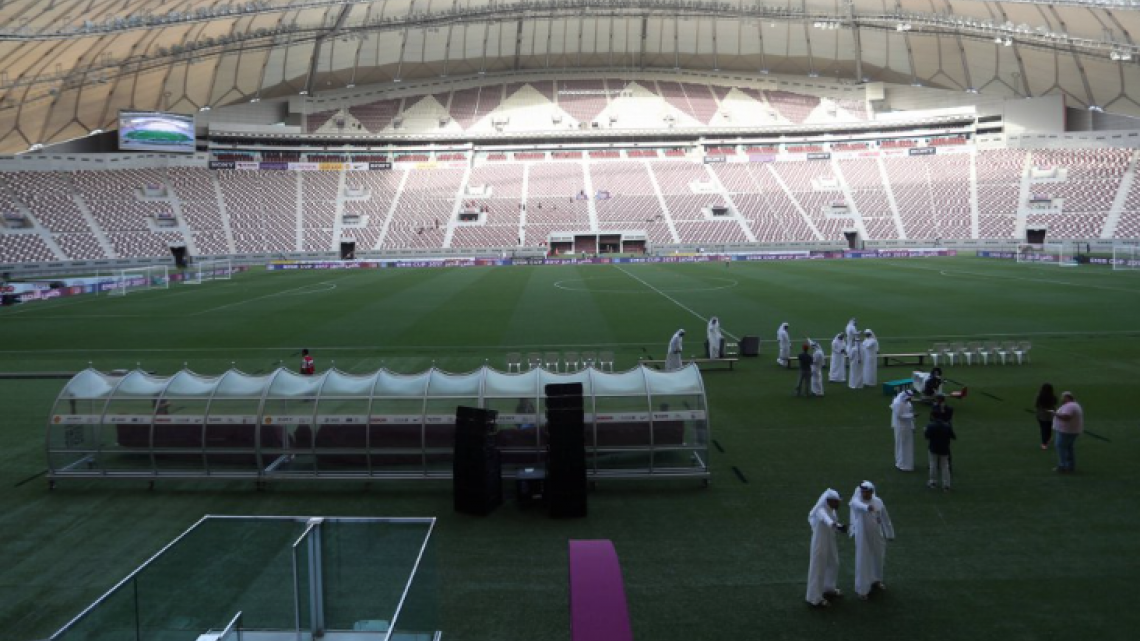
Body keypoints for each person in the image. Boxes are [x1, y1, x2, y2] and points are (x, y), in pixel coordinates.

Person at [849, 481, 894, 600]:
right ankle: (862, 589)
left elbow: (885, 518)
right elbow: (856, 504)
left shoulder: (878, 501)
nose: (864, 494)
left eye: (867, 492)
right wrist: (867, 507)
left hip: (877, 535)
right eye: (863, 492)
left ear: (872, 492)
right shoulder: (857, 502)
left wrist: (889, 534)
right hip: (863, 537)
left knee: (878, 557)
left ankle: (876, 579)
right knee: (863, 560)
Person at [805, 489, 846, 608]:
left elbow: (834, 524)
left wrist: (841, 528)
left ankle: (829, 588)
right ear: (829, 501)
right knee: (818, 568)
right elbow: (827, 521)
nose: (838, 504)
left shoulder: (832, 510)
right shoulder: (820, 510)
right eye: (836, 502)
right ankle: (815, 598)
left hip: (830, 541)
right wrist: (836, 525)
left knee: (834, 563)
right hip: (820, 542)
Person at [1052, 391, 1084, 473]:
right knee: (1068, 448)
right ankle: (1070, 465)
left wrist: (1055, 414)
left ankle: (1063, 466)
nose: (1061, 399)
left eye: (1063, 397)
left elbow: (1066, 417)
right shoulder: (1073, 405)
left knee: (1061, 447)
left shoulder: (1070, 406)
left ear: (1067, 397)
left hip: (1066, 431)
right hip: (1071, 431)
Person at [925, 412, 956, 490]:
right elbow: (953, 436)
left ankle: (933, 482)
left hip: (933, 448)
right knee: (945, 466)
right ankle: (946, 485)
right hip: (944, 448)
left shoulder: (930, 426)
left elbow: (927, 436)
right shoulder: (947, 426)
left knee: (933, 465)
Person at [890, 389, 916, 471]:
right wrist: (912, 415)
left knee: (907, 445)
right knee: (902, 445)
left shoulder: (905, 402)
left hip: (907, 426)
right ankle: (902, 464)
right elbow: (900, 416)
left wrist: (912, 425)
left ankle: (906, 463)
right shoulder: (898, 403)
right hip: (901, 427)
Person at [1034, 383, 1058, 450]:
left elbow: (1036, 404)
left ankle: (1044, 444)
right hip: (1051, 415)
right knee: (1049, 427)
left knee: (1043, 429)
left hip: (1041, 415)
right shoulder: (1053, 396)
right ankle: (1048, 439)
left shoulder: (1039, 396)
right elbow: (1055, 403)